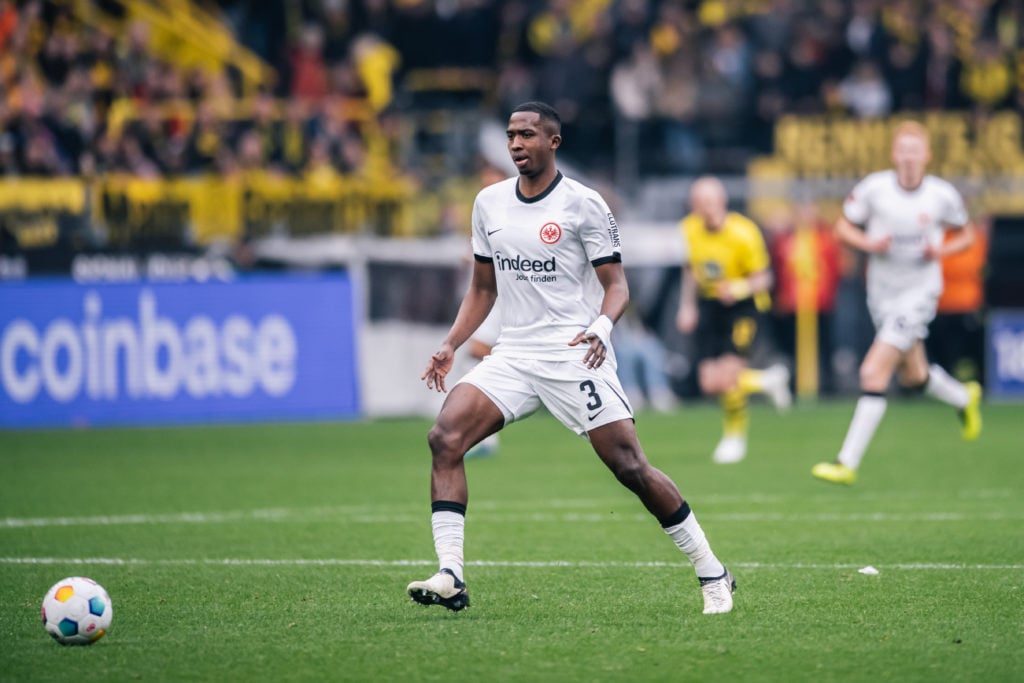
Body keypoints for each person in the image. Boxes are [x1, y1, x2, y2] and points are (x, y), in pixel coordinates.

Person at [406, 101, 735, 616]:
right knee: (445, 437)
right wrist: (451, 341)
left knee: (629, 466)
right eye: (512, 135)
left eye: (527, 135)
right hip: (514, 353)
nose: (516, 144)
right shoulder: (489, 203)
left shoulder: (585, 205)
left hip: (574, 353)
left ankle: (711, 569)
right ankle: (451, 574)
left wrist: (601, 327)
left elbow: (616, 285)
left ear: (552, 142)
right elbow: (482, 287)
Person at [812, 122, 983, 485]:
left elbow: (967, 234)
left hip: (920, 293)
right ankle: (963, 398)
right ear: (894, 154)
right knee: (914, 374)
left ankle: (846, 462)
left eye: (914, 150)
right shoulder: (875, 189)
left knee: (872, 372)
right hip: (882, 294)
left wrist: (941, 249)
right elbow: (842, 227)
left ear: (927, 156)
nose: (908, 157)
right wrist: (869, 244)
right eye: (902, 150)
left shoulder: (941, 195)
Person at [675, 176, 792, 464]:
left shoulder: (744, 232)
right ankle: (766, 382)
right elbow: (690, 269)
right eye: (701, 203)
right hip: (710, 304)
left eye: (712, 201)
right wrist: (686, 306)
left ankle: (734, 439)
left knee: (728, 379)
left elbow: (765, 278)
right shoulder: (689, 229)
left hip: (744, 307)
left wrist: (738, 288)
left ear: (723, 202)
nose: (707, 208)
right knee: (708, 382)